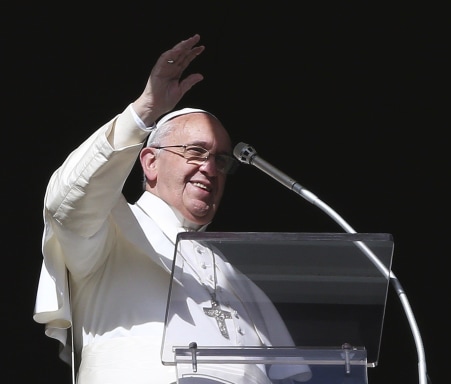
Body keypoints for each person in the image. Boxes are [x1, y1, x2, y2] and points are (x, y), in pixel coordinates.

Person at [33, 34, 311, 384]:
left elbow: (292, 375)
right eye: (195, 152)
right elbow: (67, 202)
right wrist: (145, 110)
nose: (209, 169)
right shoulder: (109, 231)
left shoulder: (235, 276)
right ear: (149, 162)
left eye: (220, 160)